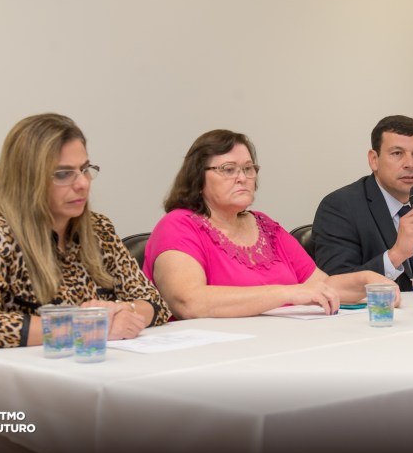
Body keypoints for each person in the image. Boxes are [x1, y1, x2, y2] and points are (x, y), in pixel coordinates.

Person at [0, 114, 169, 361]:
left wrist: (124, 310)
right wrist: (90, 326)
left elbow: (155, 303)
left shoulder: (99, 229)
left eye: (85, 169)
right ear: (28, 179)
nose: (83, 183)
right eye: (64, 174)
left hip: (80, 373)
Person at [143, 130, 398, 319]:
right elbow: (189, 302)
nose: (242, 178)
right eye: (228, 169)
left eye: (248, 168)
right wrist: (287, 293)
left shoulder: (266, 227)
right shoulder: (178, 225)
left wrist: (366, 281)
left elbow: (320, 287)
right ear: (198, 178)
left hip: (279, 346)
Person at [312, 115, 413, 293]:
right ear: (374, 160)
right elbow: (334, 283)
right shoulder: (340, 207)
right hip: (380, 315)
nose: (410, 164)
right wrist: (396, 255)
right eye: (397, 153)